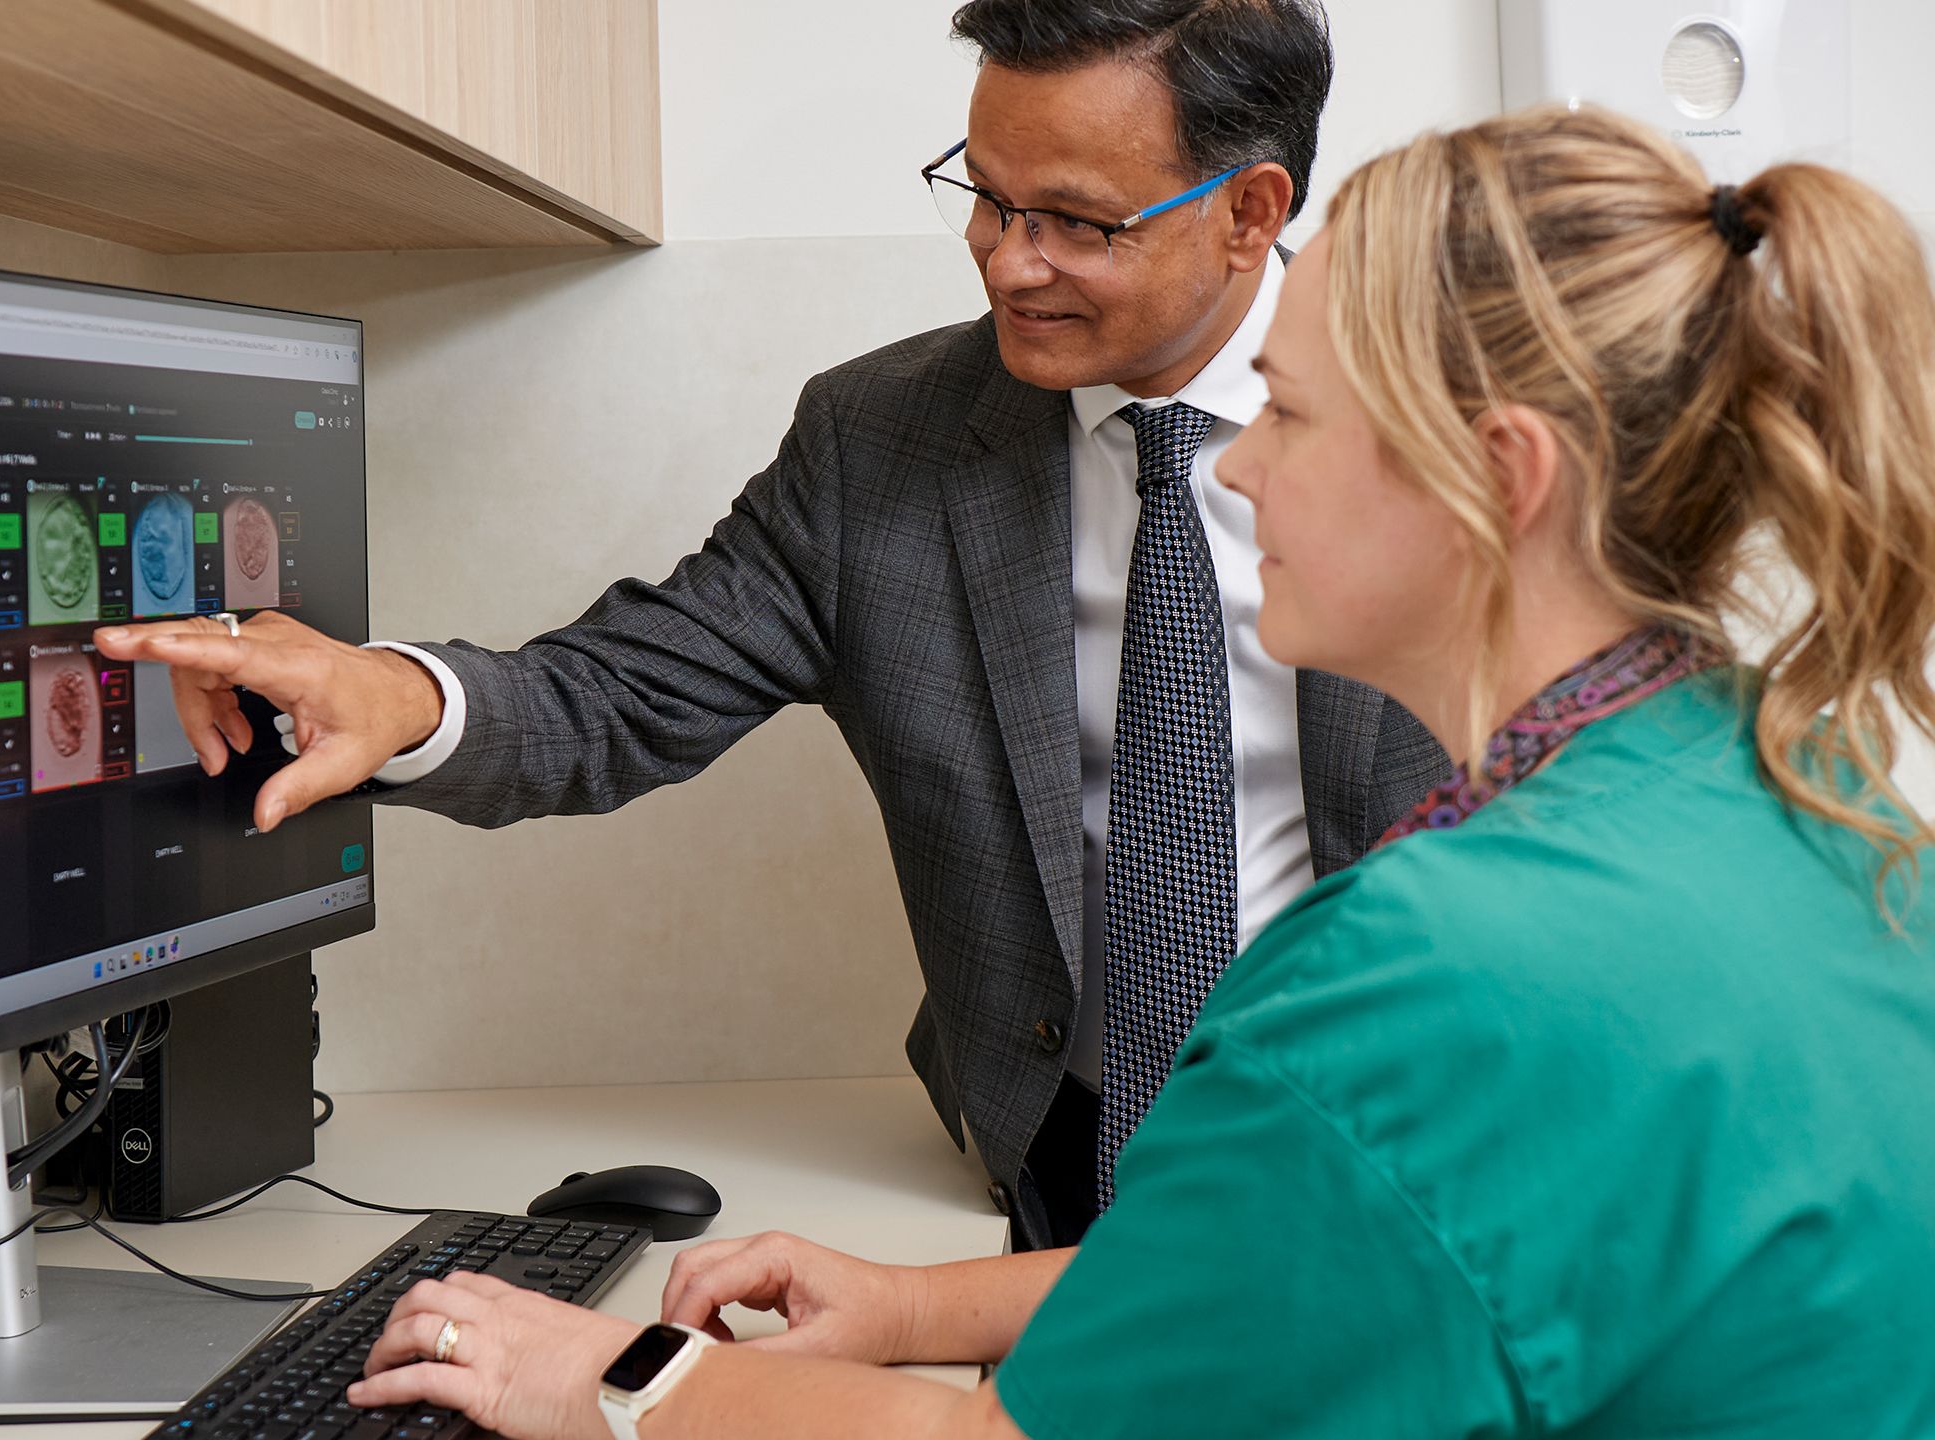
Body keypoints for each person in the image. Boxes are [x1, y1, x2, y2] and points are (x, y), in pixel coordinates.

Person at [326, 105, 1935, 1439]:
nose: (1242, 464)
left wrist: (606, 1381)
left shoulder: (1420, 977)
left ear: (1497, 479)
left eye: (1291, 414)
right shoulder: (1809, 794)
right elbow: (1327, 1244)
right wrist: (916, 1307)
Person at [97, 0, 1449, 1251]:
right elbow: (626, 692)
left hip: (1411, 1140)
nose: (1005, 259)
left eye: (1076, 223)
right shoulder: (882, 440)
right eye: (986, 196)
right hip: (1056, 1151)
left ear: (1248, 211)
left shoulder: (1463, 421)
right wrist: (401, 698)